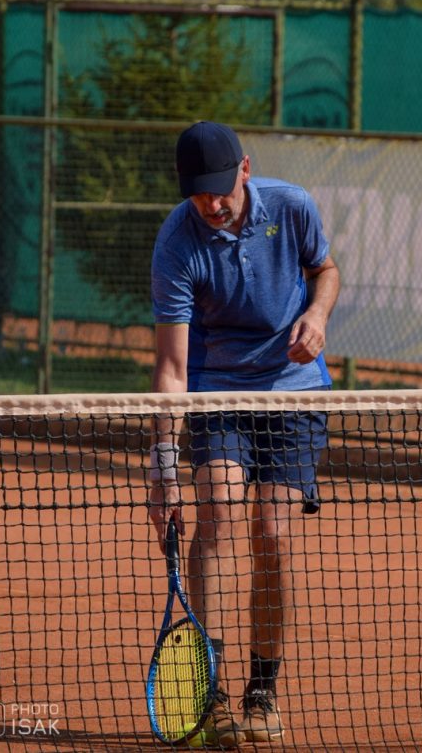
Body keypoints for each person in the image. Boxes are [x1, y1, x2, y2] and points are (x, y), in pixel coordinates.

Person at [147, 121, 340, 748]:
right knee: (219, 512)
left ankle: (262, 691)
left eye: (221, 188)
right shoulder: (177, 241)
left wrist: (317, 313)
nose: (212, 203)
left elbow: (325, 269)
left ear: (246, 169)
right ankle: (211, 693)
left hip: (294, 389)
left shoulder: (292, 205)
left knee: (272, 533)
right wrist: (163, 466)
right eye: (199, 192)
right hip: (218, 391)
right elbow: (172, 367)